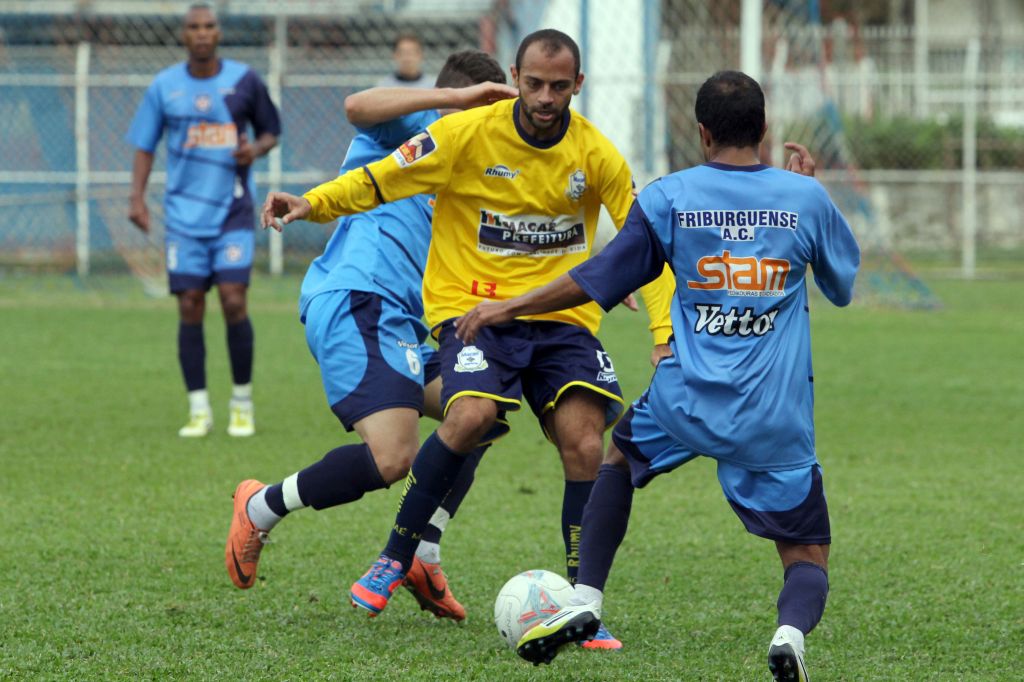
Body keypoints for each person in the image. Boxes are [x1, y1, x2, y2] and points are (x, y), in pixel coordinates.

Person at [262, 29, 677, 649]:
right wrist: (310, 205)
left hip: (562, 321)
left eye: (558, 87)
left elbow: (645, 243)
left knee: (587, 443)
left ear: (577, 86)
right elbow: (377, 179)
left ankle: (583, 605)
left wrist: (663, 333)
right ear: (516, 75)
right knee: (471, 418)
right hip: (474, 312)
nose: (544, 97)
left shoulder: (597, 155)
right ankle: (397, 554)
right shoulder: (462, 133)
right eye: (533, 83)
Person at [455, 71, 860, 682]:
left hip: (685, 399)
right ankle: (788, 634)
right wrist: (807, 196)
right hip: (773, 417)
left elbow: (595, 279)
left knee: (617, 458)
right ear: (765, 130)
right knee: (806, 554)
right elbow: (841, 287)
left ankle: (586, 599)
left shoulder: (670, 197)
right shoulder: (805, 200)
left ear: (700, 133)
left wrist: (507, 306)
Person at [225, 51, 518, 623]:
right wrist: (454, 102)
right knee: (393, 458)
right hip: (358, 297)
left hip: (408, 319)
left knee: (479, 413)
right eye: (492, 103)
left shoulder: (477, 162)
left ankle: (423, 554)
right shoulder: (410, 127)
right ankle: (260, 507)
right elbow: (357, 105)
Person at [126, 1, 281, 438]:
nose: (201, 33)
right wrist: (136, 198)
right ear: (183, 34)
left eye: (209, 26)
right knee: (190, 305)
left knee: (234, 300)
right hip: (183, 217)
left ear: (218, 32)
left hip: (231, 211)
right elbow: (144, 145)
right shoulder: (164, 87)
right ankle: (198, 409)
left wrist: (257, 149)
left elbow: (271, 129)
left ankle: (241, 403)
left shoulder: (244, 81)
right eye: (193, 26)